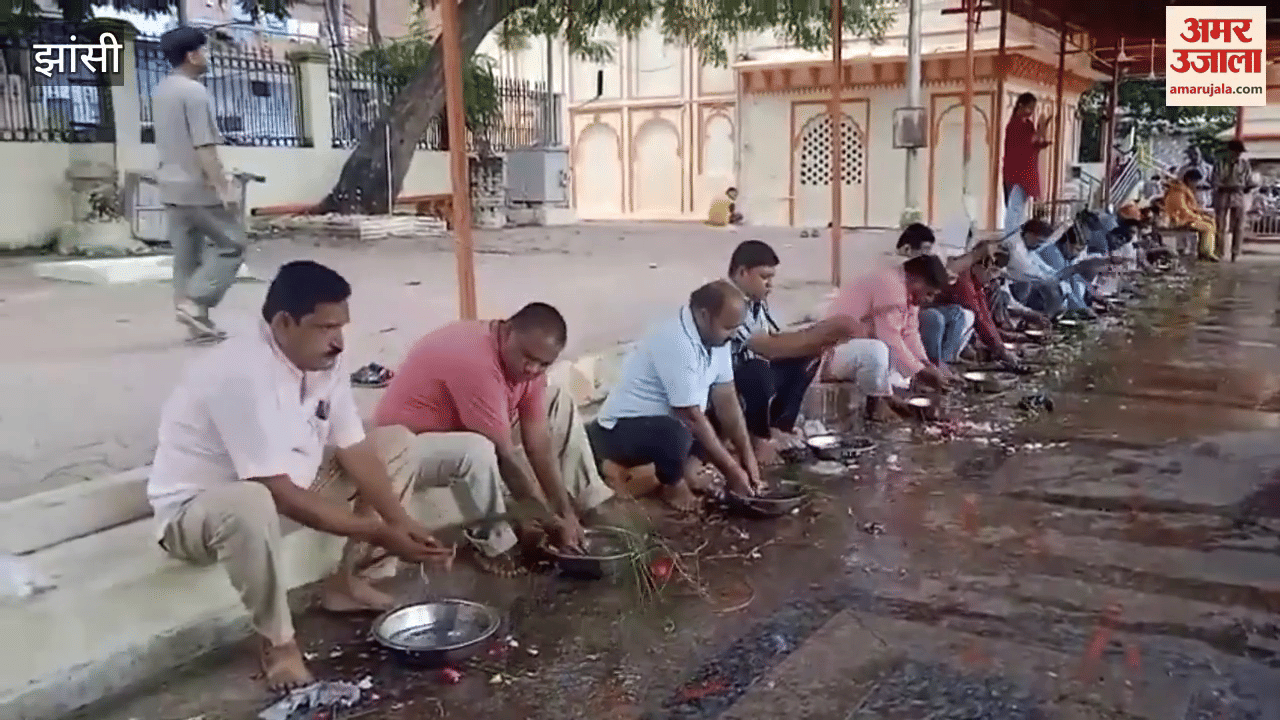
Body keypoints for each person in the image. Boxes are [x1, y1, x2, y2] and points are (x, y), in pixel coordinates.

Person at [147, 261, 454, 691]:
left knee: (394, 442)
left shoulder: (322, 360)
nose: (338, 341)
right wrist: (380, 531)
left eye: (341, 326)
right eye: (326, 327)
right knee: (250, 501)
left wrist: (402, 522)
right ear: (283, 323)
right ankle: (279, 644)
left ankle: (348, 582)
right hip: (199, 512)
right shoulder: (240, 373)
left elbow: (354, 448)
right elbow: (277, 492)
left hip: (287, 486)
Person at [372, 303, 613, 574]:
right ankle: (497, 547)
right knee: (478, 448)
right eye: (528, 358)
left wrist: (564, 512)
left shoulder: (528, 363)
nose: (532, 369)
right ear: (507, 331)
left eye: (544, 364)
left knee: (558, 401)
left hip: (455, 428)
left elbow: (538, 444)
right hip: (403, 446)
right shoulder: (476, 361)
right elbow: (505, 455)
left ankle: (589, 504)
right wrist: (548, 520)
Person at [592, 281, 761, 511]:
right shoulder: (676, 339)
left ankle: (688, 470)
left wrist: (748, 460)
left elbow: (726, 398)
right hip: (620, 430)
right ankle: (672, 486)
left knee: (733, 408)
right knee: (678, 432)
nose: (733, 335)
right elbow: (690, 417)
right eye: (728, 327)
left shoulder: (717, 337)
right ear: (704, 315)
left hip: (671, 421)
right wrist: (732, 471)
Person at [722, 240, 860, 464]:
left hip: (752, 372)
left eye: (771, 278)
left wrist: (819, 342)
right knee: (756, 371)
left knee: (808, 358)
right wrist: (821, 333)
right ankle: (759, 439)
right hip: (726, 382)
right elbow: (765, 347)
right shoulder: (727, 302)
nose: (770, 285)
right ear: (742, 272)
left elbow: (776, 338)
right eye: (764, 277)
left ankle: (780, 427)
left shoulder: (756, 302)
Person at [154, 27, 247, 343]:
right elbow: (204, 146)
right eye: (204, 51)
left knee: (187, 256)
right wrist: (223, 187)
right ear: (192, 55)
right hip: (197, 186)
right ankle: (195, 304)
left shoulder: (162, 90)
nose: (207, 57)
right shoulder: (194, 93)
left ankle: (197, 322)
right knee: (232, 244)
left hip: (170, 185)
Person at [821, 254, 958, 420]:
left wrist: (926, 364)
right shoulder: (890, 285)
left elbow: (910, 333)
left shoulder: (908, 291)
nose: (929, 299)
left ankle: (889, 400)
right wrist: (920, 371)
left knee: (901, 377)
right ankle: (878, 406)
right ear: (917, 280)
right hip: (832, 351)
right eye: (929, 293)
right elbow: (889, 339)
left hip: (857, 346)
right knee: (877, 351)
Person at [934, 253, 1020, 367]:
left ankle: (954, 356)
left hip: (946, 319)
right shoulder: (964, 281)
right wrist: (1000, 349)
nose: (991, 279)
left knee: (969, 316)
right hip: (934, 317)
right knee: (964, 315)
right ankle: (946, 361)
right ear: (977, 267)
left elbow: (984, 314)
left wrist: (1000, 346)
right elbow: (979, 317)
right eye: (990, 271)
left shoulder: (975, 280)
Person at [1002, 93, 1052, 239]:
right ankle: (1010, 239)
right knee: (1014, 209)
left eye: (1033, 108)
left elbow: (1033, 142)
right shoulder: (1014, 125)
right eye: (1029, 107)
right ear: (1020, 105)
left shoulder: (1028, 125)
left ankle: (1015, 238)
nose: (1031, 111)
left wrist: (1042, 137)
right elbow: (1027, 142)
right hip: (1015, 174)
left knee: (1020, 210)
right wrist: (1041, 128)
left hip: (1027, 172)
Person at [1164, 168, 1218, 262]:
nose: (1196, 184)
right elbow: (1182, 210)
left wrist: (1201, 213)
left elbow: (1190, 207)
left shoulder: (1183, 189)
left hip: (1185, 218)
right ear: (1189, 180)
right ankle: (1206, 253)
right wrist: (1198, 217)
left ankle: (1206, 250)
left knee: (1211, 221)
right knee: (1207, 227)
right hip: (1179, 220)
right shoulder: (1178, 191)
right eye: (1195, 181)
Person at [1214, 140, 1253, 262]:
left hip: (1238, 194)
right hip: (1223, 194)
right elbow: (1215, 181)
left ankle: (1235, 253)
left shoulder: (1244, 164)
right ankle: (1219, 252)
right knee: (1220, 225)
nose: (1238, 154)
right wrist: (1226, 186)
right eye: (1236, 152)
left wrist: (1246, 187)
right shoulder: (1220, 163)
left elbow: (1249, 182)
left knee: (1239, 225)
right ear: (1230, 151)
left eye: (1239, 152)